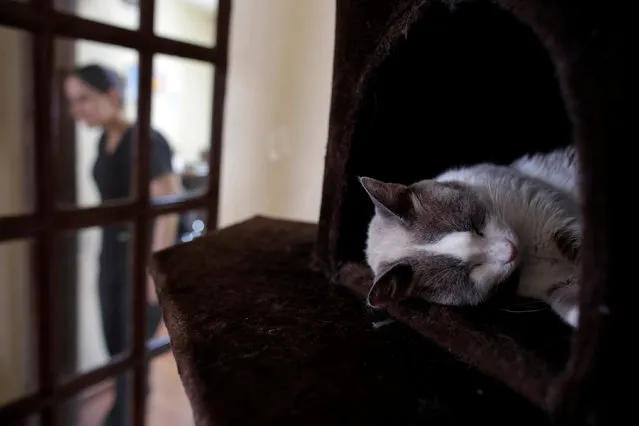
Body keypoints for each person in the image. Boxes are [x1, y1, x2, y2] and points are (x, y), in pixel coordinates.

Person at [63, 64, 181, 426]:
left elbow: (168, 208)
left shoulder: (146, 138)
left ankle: (125, 415)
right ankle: (125, 407)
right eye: (72, 102)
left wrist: (153, 272)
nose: (76, 110)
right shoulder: (104, 141)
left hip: (139, 259)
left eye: (83, 99)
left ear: (112, 96)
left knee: (134, 348)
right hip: (110, 256)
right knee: (115, 342)